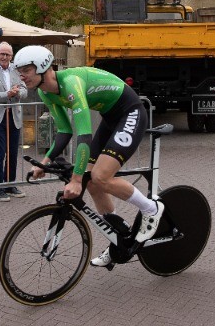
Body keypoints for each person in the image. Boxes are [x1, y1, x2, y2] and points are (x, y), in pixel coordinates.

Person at [13, 45, 165, 268]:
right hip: (111, 117)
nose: (21, 76)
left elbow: (84, 135)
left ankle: (151, 209)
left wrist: (75, 180)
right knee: (92, 183)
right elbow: (64, 132)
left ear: (42, 67)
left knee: (101, 177)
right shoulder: (46, 92)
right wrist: (44, 163)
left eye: (26, 70)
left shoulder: (71, 84)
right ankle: (118, 238)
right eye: (20, 71)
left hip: (130, 112)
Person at [0, 42, 28, 202]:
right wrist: (7, 94)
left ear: (12, 56)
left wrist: (18, 93)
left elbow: (24, 89)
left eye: (8, 54)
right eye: (2, 54)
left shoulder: (17, 69)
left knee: (13, 153)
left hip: (14, 117)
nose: (4, 57)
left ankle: (10, 185)